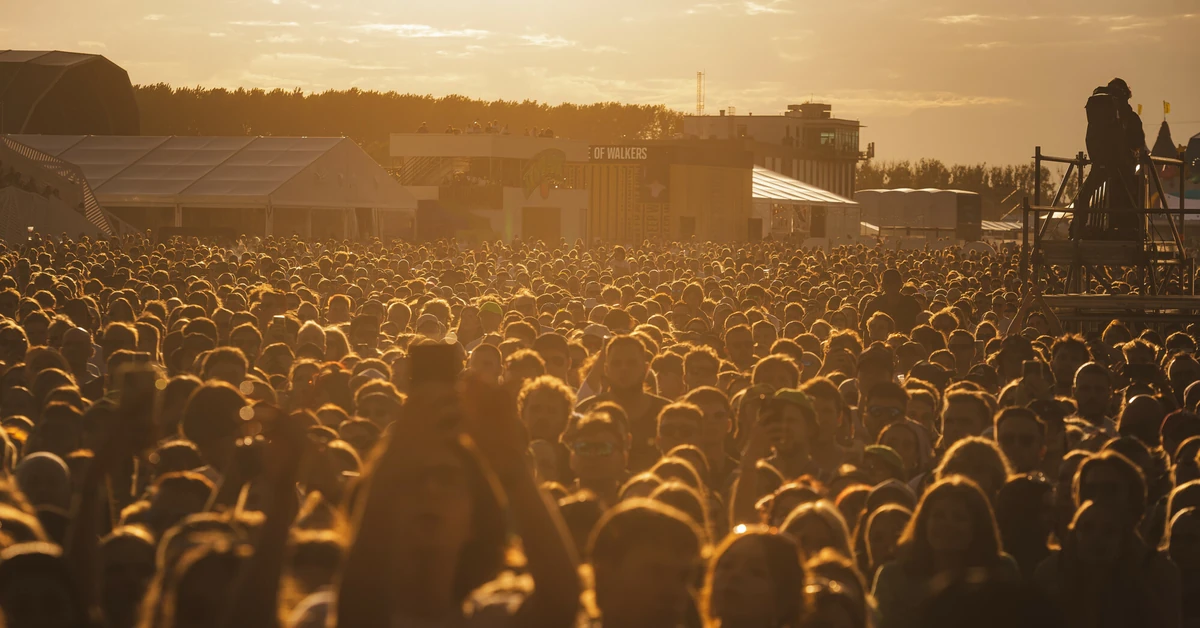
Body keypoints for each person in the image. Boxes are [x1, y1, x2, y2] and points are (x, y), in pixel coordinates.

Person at [872, 477, 1017, 628]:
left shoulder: (1002, 568)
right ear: (924, 522)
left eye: (959, 518)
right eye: (938, 516)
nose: (947, 525)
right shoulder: (892, 578)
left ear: (978, 526)